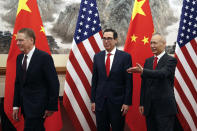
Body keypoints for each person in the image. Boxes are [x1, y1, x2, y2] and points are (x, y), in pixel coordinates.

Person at [127, 33, 178, 131]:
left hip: (165, 109)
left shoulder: (171, 60)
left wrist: (143, 71)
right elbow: (144, 84)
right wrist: (142, 103)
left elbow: (162, 73)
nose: (152, 46)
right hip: (149, 108)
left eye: (155, 43)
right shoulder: (148, 61)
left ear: (163, 44)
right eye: (151, 43)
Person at [12, 28, 60, 131]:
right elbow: (18, 83)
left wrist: (51, 106)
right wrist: (16, 106)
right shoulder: (19, 58)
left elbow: (54, 83)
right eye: (17, 40)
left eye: (21, 40)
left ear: (31, 40)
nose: (17, 43)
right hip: (25, 107)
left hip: (39, 107)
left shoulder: (44, 57)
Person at [91, 29, 133, 131]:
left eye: (109, 38)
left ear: (116, 40)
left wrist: (127, 102)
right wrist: (93, 100)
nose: (106, 41)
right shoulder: (97, 57)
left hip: (118, 103)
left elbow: (128, 82)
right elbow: (95, 80)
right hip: (100, 103)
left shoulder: (125, 57)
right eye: (104, 38)